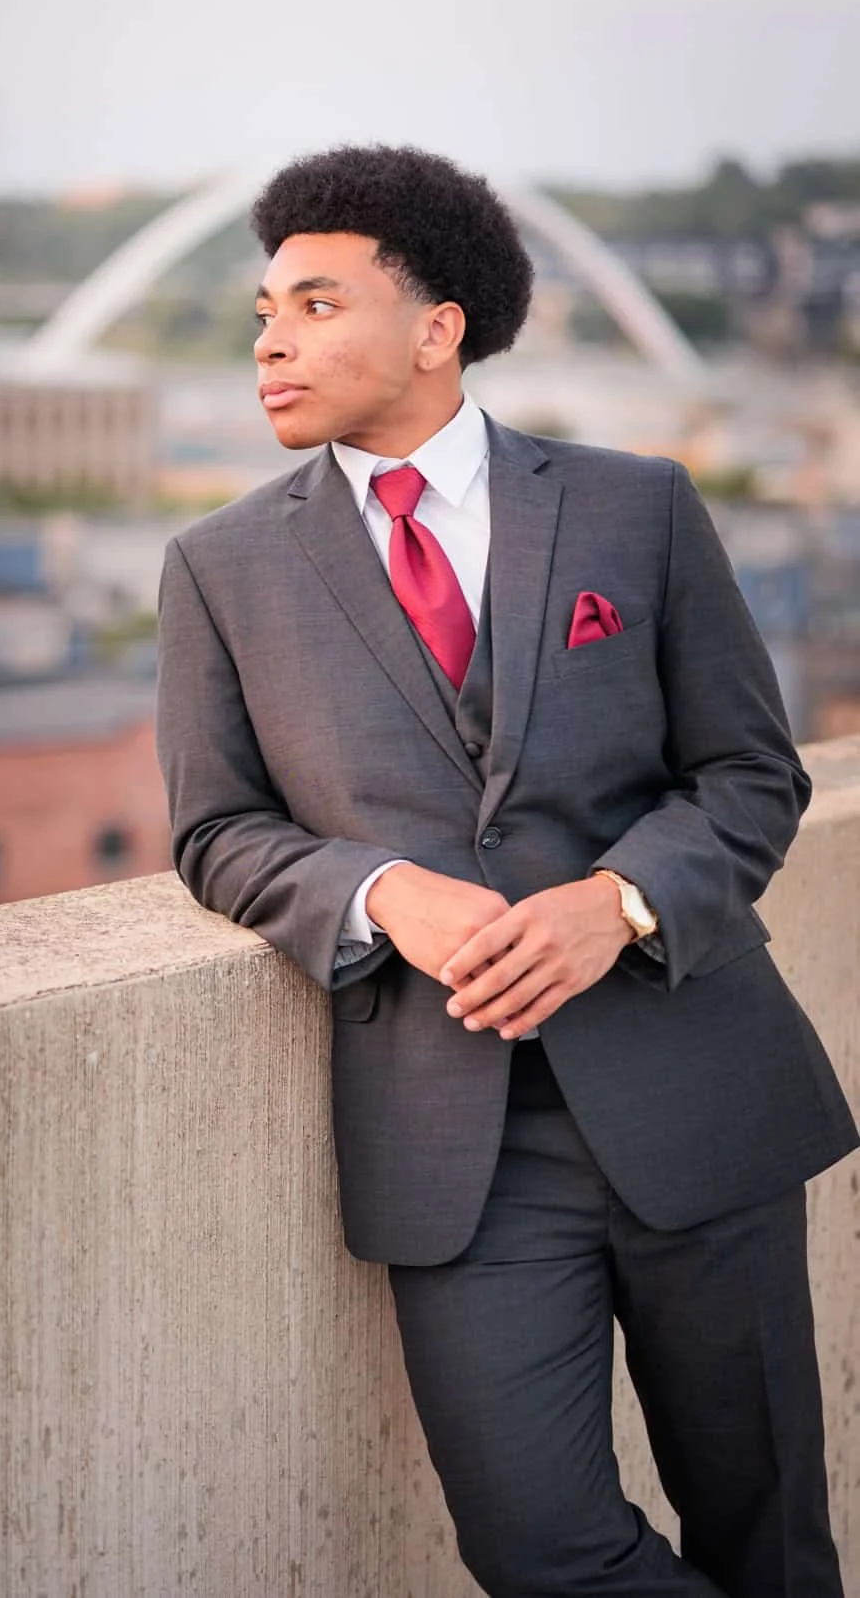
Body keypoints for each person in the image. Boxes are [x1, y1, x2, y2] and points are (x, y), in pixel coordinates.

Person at [154, 144, 857, 1598]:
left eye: (317, 301)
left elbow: (751, 773)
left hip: (699, 1099)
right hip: (456, 1150)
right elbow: (215, 831)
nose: (272, 339)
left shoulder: (633, 506)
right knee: (539, 1549)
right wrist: (374, 892)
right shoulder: (220, 568)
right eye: (262, 311)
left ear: (437, 326)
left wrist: (621, 902)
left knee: (773, 1541)